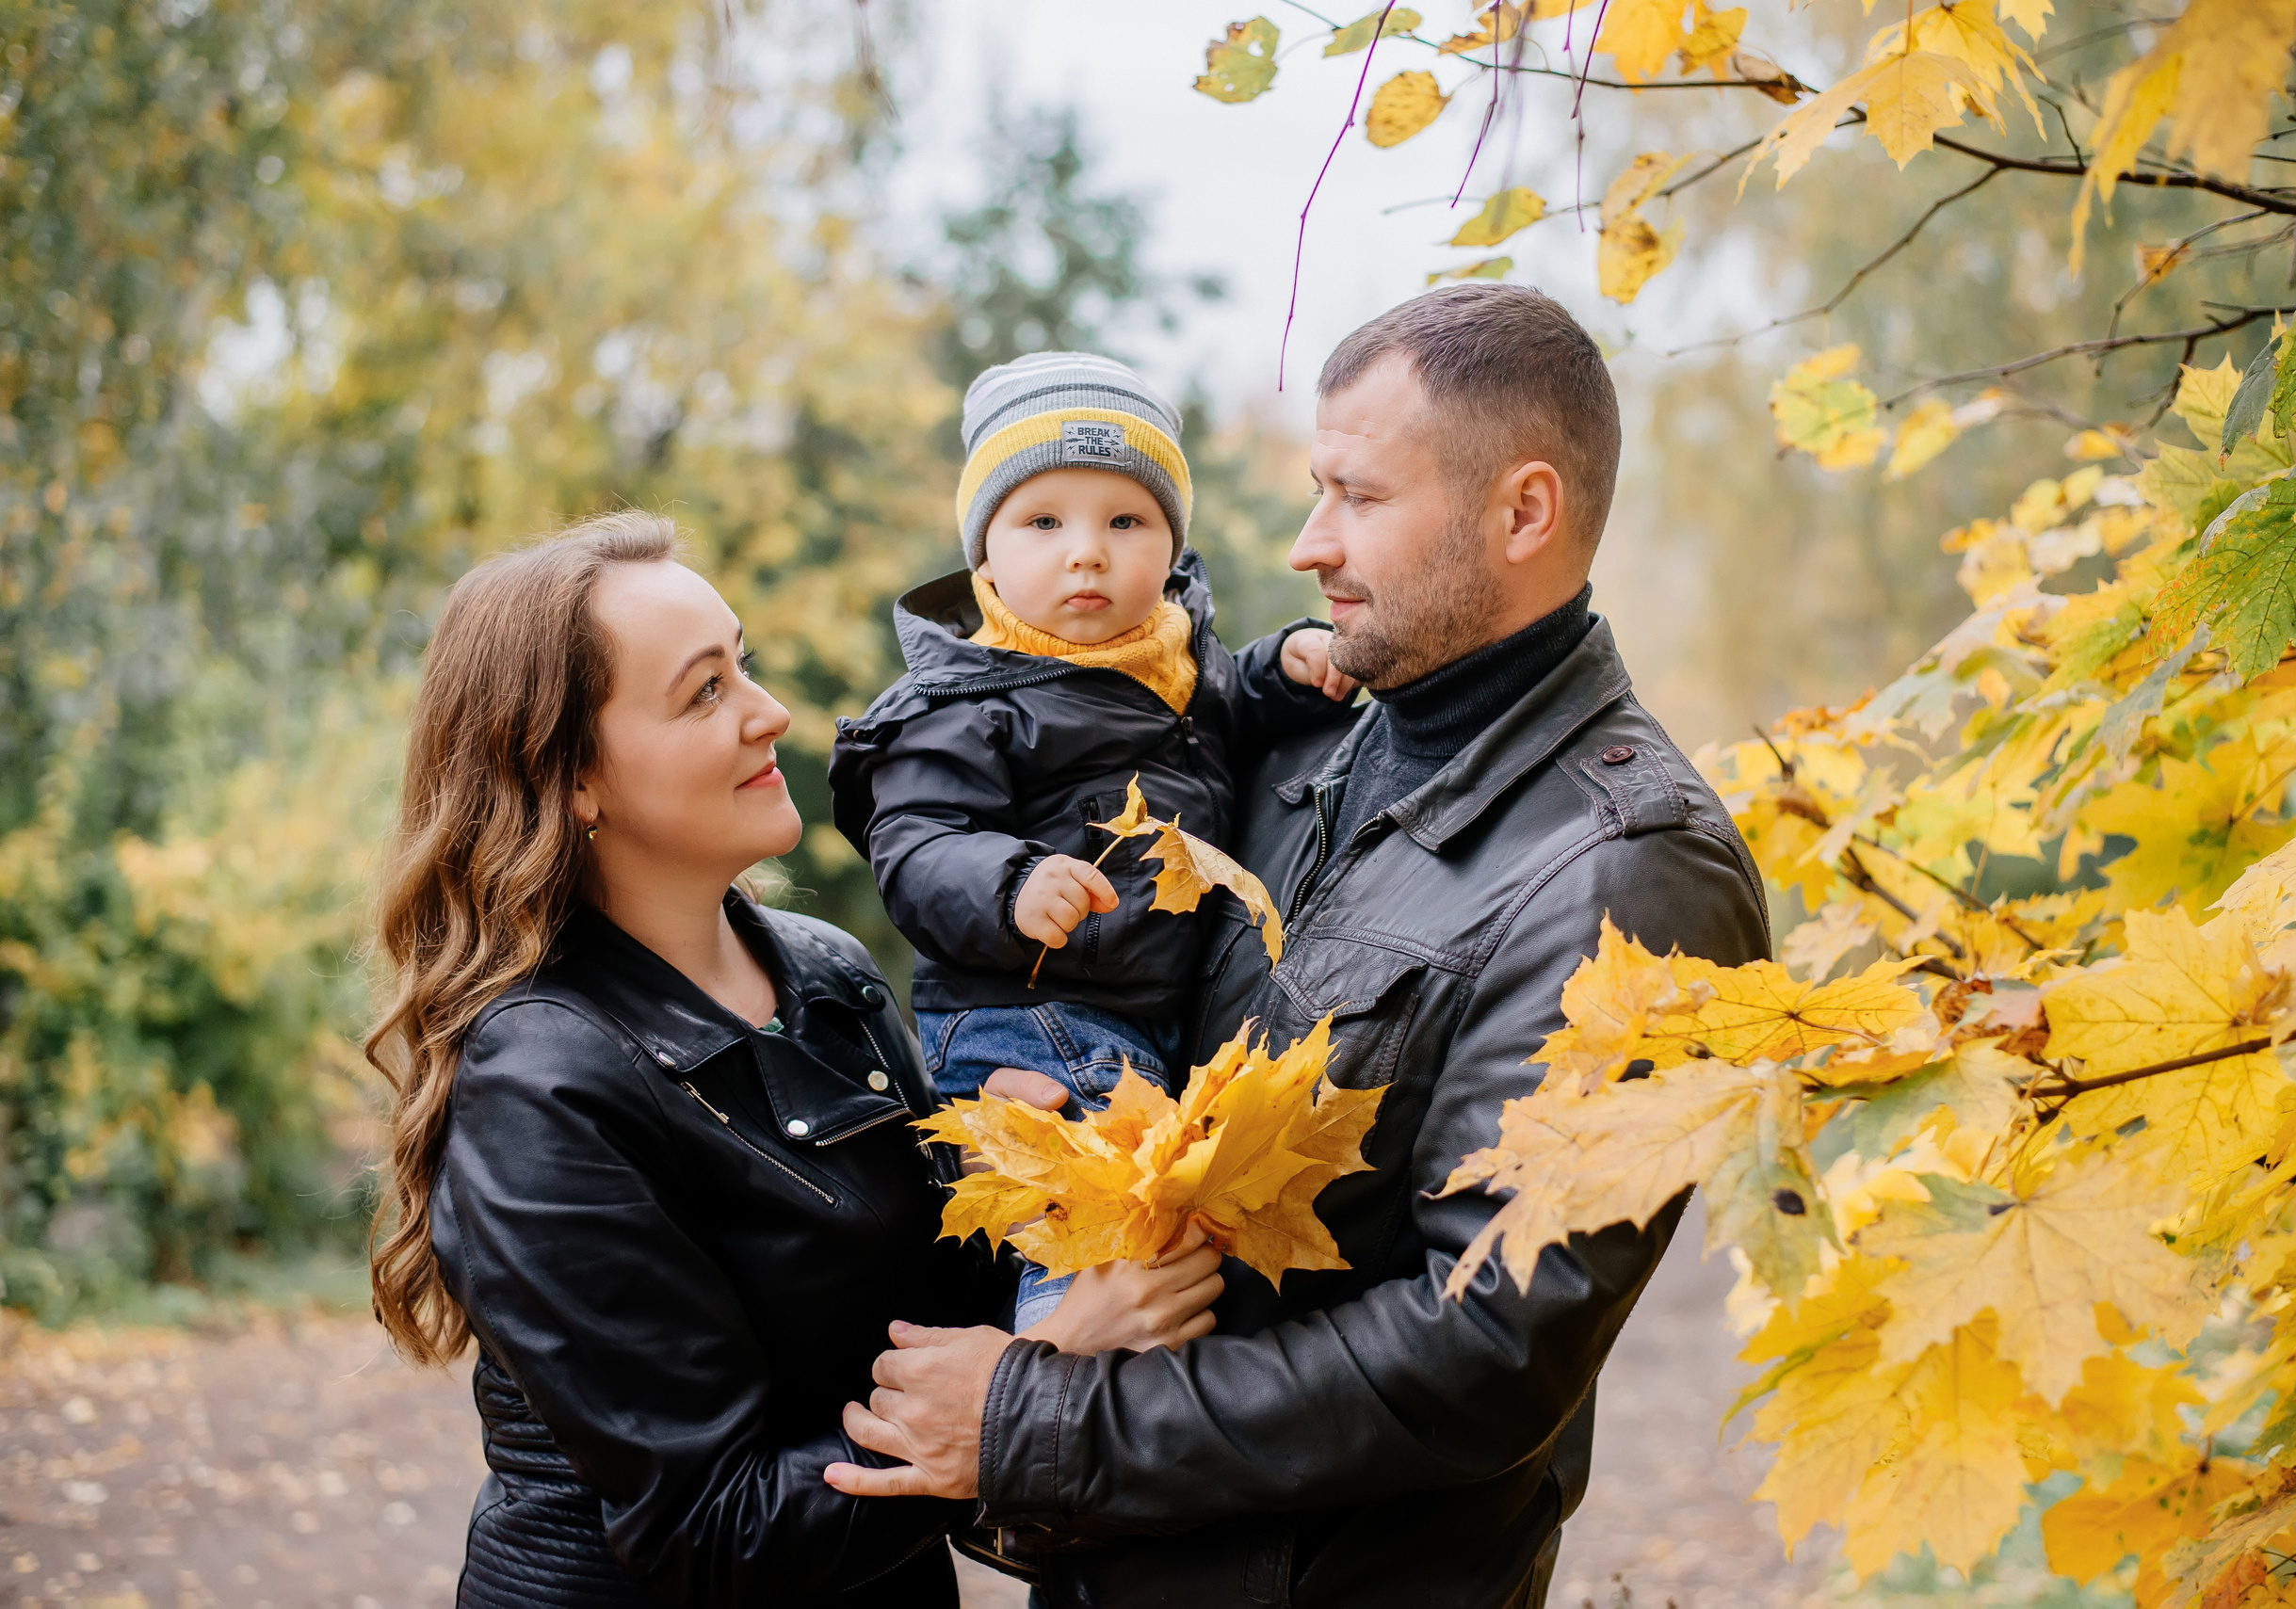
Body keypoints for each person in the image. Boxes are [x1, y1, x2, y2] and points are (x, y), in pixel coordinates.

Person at [824, 285, 1772, 1608]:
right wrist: (1025, 1146)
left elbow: (1488, 1343)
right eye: (1315, 487)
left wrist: (1037, 1422)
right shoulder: (1286, 745)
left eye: (1361, 497)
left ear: (1524, 512)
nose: (1310, 540)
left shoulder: (1628, 871)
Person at [363, 510, 1225, 1607]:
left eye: (745, 665)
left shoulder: (827, 972)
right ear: (573, 778)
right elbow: (704, 1528)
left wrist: (1007, 1186)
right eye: (704, 691)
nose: (770, 712)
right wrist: (1039, 1377)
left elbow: (913, 1309)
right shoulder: (538, 1084)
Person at [829, 351, 1357, 1326]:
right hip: (1025, 1012)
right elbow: (916, 843)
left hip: (1143, 1014)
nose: (1087, 551)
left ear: (1169, 543)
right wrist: (1010, 881)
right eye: (1043, 521)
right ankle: (1055, 1400)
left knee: (1155, 1218)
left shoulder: (1181, 667)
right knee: (1104, 1225)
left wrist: (1287, 664)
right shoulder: (962, 700)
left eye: (1125, 520)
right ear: (984, 555)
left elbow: (1233, 709)